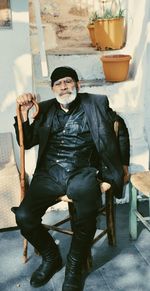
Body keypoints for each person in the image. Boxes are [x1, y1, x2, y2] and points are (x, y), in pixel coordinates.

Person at [12, 66, 130, 291]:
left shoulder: (96, 103)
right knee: (24, 216)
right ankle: (51, 257)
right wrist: (26, 114)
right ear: (53, 88)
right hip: (50, 173)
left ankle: (75, 265)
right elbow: (25, 141)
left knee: (87, 210)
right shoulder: (44, 109)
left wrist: (123, 163)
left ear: (78, 84)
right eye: (59, 83)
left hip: (83, 169)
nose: (64, 86)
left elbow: (120, 128)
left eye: (68, 81)